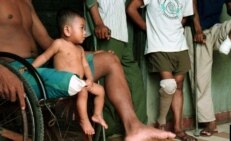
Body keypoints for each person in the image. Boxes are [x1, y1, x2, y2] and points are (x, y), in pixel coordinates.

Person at [0, 0, 176, 141]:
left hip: (39, 66)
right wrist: (2, 71)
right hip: (13, 68)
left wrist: (86, 53)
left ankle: (134, 128)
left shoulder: (26, 2)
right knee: (74, 81)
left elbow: (47, 42)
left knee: (109, 59)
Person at [25, 9, 107, 135]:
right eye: (82, 28)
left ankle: (97, 114)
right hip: (64, 83)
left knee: (100, 90)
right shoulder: (59, 44)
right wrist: (30, 67)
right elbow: (44, 57)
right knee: (83, 91)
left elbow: (85, 66)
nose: (85, 33)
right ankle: (84, 120)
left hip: (80, 83)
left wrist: (90, 79)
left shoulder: (80, 49)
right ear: (67, 30)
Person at [127, 0, 197, 141]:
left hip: (179, 44)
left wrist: (173, 26)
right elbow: (131, 9)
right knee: (168, 84)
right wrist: (148, 29)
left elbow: (185, 16)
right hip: (158, 44)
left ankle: (178, 129)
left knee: (179, 84)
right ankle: (161, 122)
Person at [85, 0, 147, 139]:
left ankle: (138, 125)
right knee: (108, 81)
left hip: (122, 32)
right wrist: (98, 23)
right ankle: (111, 132)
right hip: (104, 28)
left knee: (133, 77)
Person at [185, 0, 231, 136]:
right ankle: (210, 123)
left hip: (215, 28)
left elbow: (230, 8)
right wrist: (198, 30)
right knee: (200, 80)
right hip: (197, 29)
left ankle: (226, 46)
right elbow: (191, 5)